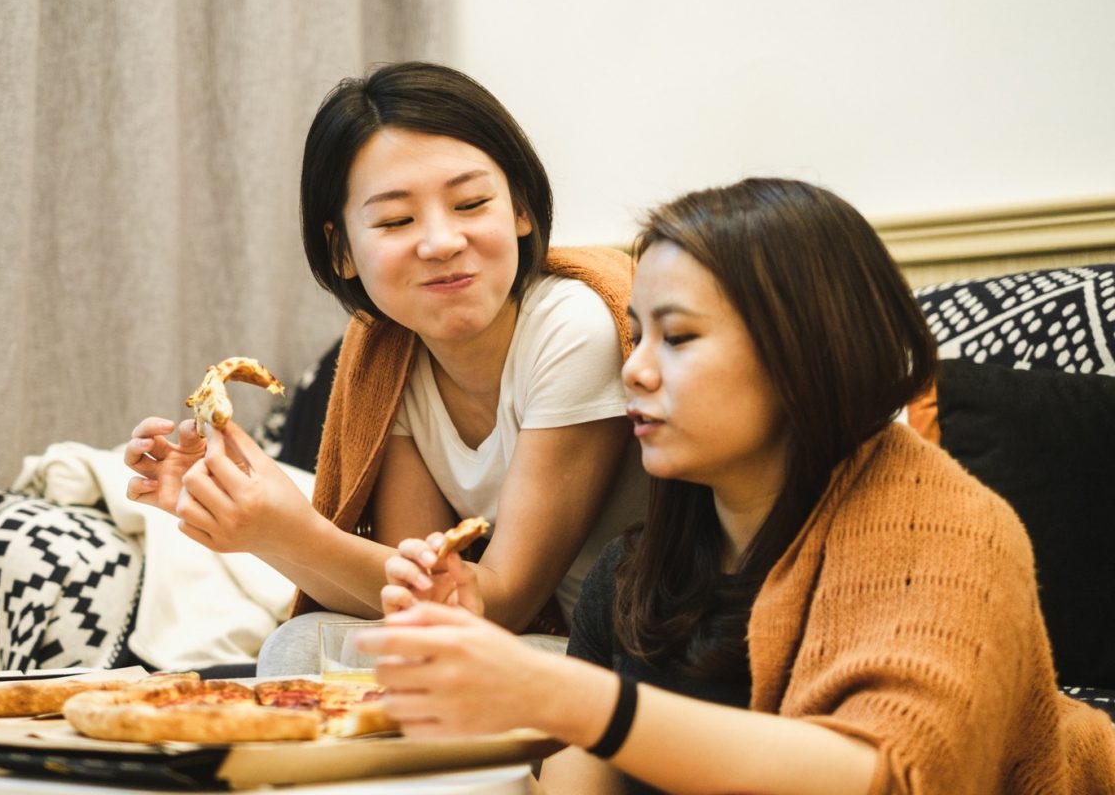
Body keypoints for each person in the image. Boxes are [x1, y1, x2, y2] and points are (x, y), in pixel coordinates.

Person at [359, 178, 1115, 794]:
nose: (635, 369)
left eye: (678, 337)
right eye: (637, 333)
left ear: (805, 353)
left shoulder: (955, 532)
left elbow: (890, 774)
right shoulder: (632, 577)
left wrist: (562, 695)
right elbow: (574, 781)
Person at [123, 61, 648, 674]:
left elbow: (502, 599)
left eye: (472, 202)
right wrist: (253, 523)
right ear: (342, 250)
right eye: (397, 220)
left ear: (521, 211)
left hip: (630, 653)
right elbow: (413, 595)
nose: (441, 241)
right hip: (523, 646)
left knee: (343, 660)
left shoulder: (573, 327)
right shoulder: (388, 356)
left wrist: (289, 529)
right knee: (305, 643)